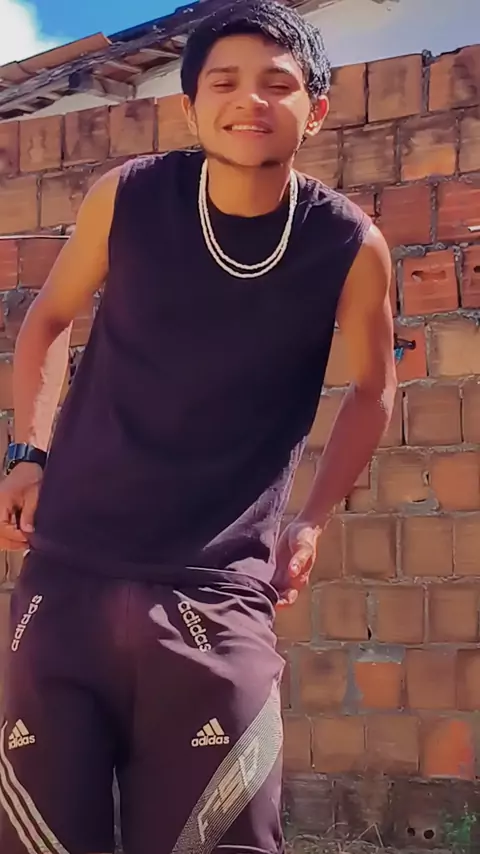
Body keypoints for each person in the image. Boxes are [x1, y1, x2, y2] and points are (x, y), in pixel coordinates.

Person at [0, 1, 397, 852]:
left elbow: (374, 389)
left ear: (315, 111)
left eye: (277, 84)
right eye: (224, 82)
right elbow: (49, 318)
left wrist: (313, 519)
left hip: (216, 594)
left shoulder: (348, 244)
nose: (250, 99)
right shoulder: (130, 198)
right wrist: (27, 453)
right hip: (69, 577)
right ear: (190, 107)